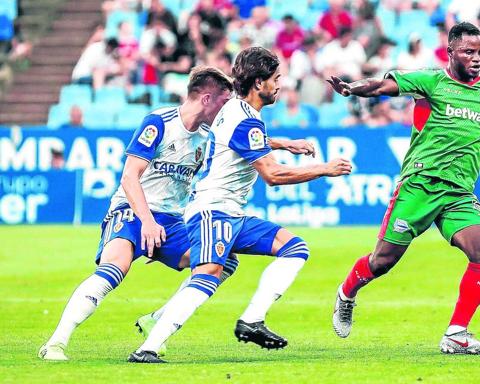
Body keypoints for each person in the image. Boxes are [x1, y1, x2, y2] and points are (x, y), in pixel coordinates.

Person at [128, 47, 352, 363]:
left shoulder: (236, 112)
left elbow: (242, 139)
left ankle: (251, 319)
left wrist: (283, 142)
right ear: (259, 83)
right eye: (275, 79)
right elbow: (273, 175)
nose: (279, 85)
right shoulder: (245, 121)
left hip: (229, 211)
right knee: (207, 274)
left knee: (294, 248)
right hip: (212, 211)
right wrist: (324, 169)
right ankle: (148, 347)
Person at [327, 22, 480, 355]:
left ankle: (456, 333)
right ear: (451, 52)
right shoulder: (430, 82)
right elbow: (382, 85)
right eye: (468, 52)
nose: (476, 58)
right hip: (419, 186)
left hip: (459, 192)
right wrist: (351, 88)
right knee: (382, 262)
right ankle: (347, 293)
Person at [38, 66, 234, 361]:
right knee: (115, 268)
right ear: (206, 98)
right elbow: (129, 177)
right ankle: (55, 343)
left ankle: (158, 318)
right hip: (132, 210)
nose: (226, 110)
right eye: (224, 102)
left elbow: (243, 146)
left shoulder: (208, 136)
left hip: (170, 220)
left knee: (222, 259)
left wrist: (285, 145)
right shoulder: (159, 123)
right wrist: (147, 222)